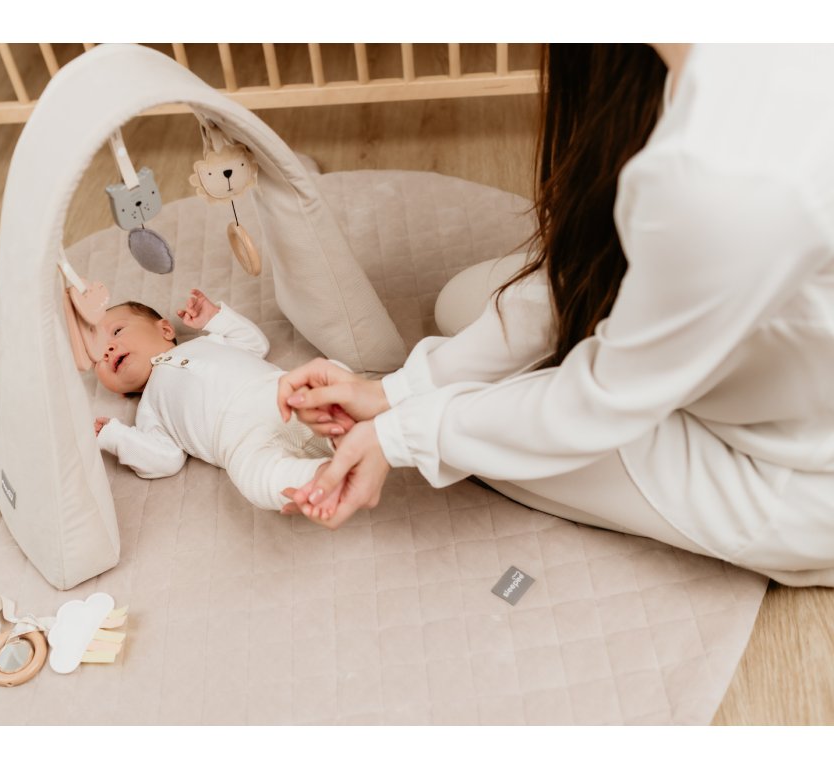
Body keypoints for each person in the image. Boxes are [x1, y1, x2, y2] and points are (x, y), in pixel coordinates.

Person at [276, 43, 834, 587]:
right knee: (463, 308)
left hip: (792, 473)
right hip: (766, 369)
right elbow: (600, 276)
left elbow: (598, 402)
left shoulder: (728, 179)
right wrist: (397, 391)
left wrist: (401, 434)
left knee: (473, 447)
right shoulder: (715, 69)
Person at [93, 289, 342, 512]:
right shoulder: (149, 410)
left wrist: (215, 318)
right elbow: (165, 459)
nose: (107, 349)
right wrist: (115, 436)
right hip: (239, 440)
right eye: (96, 354)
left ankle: (350, 431)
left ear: (166, 330)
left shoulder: (207, 342)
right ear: (119, 392)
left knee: (328, 381)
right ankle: (319, 477)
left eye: (116, 331)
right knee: (253, 477)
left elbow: (256, 344)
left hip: (278, 394)